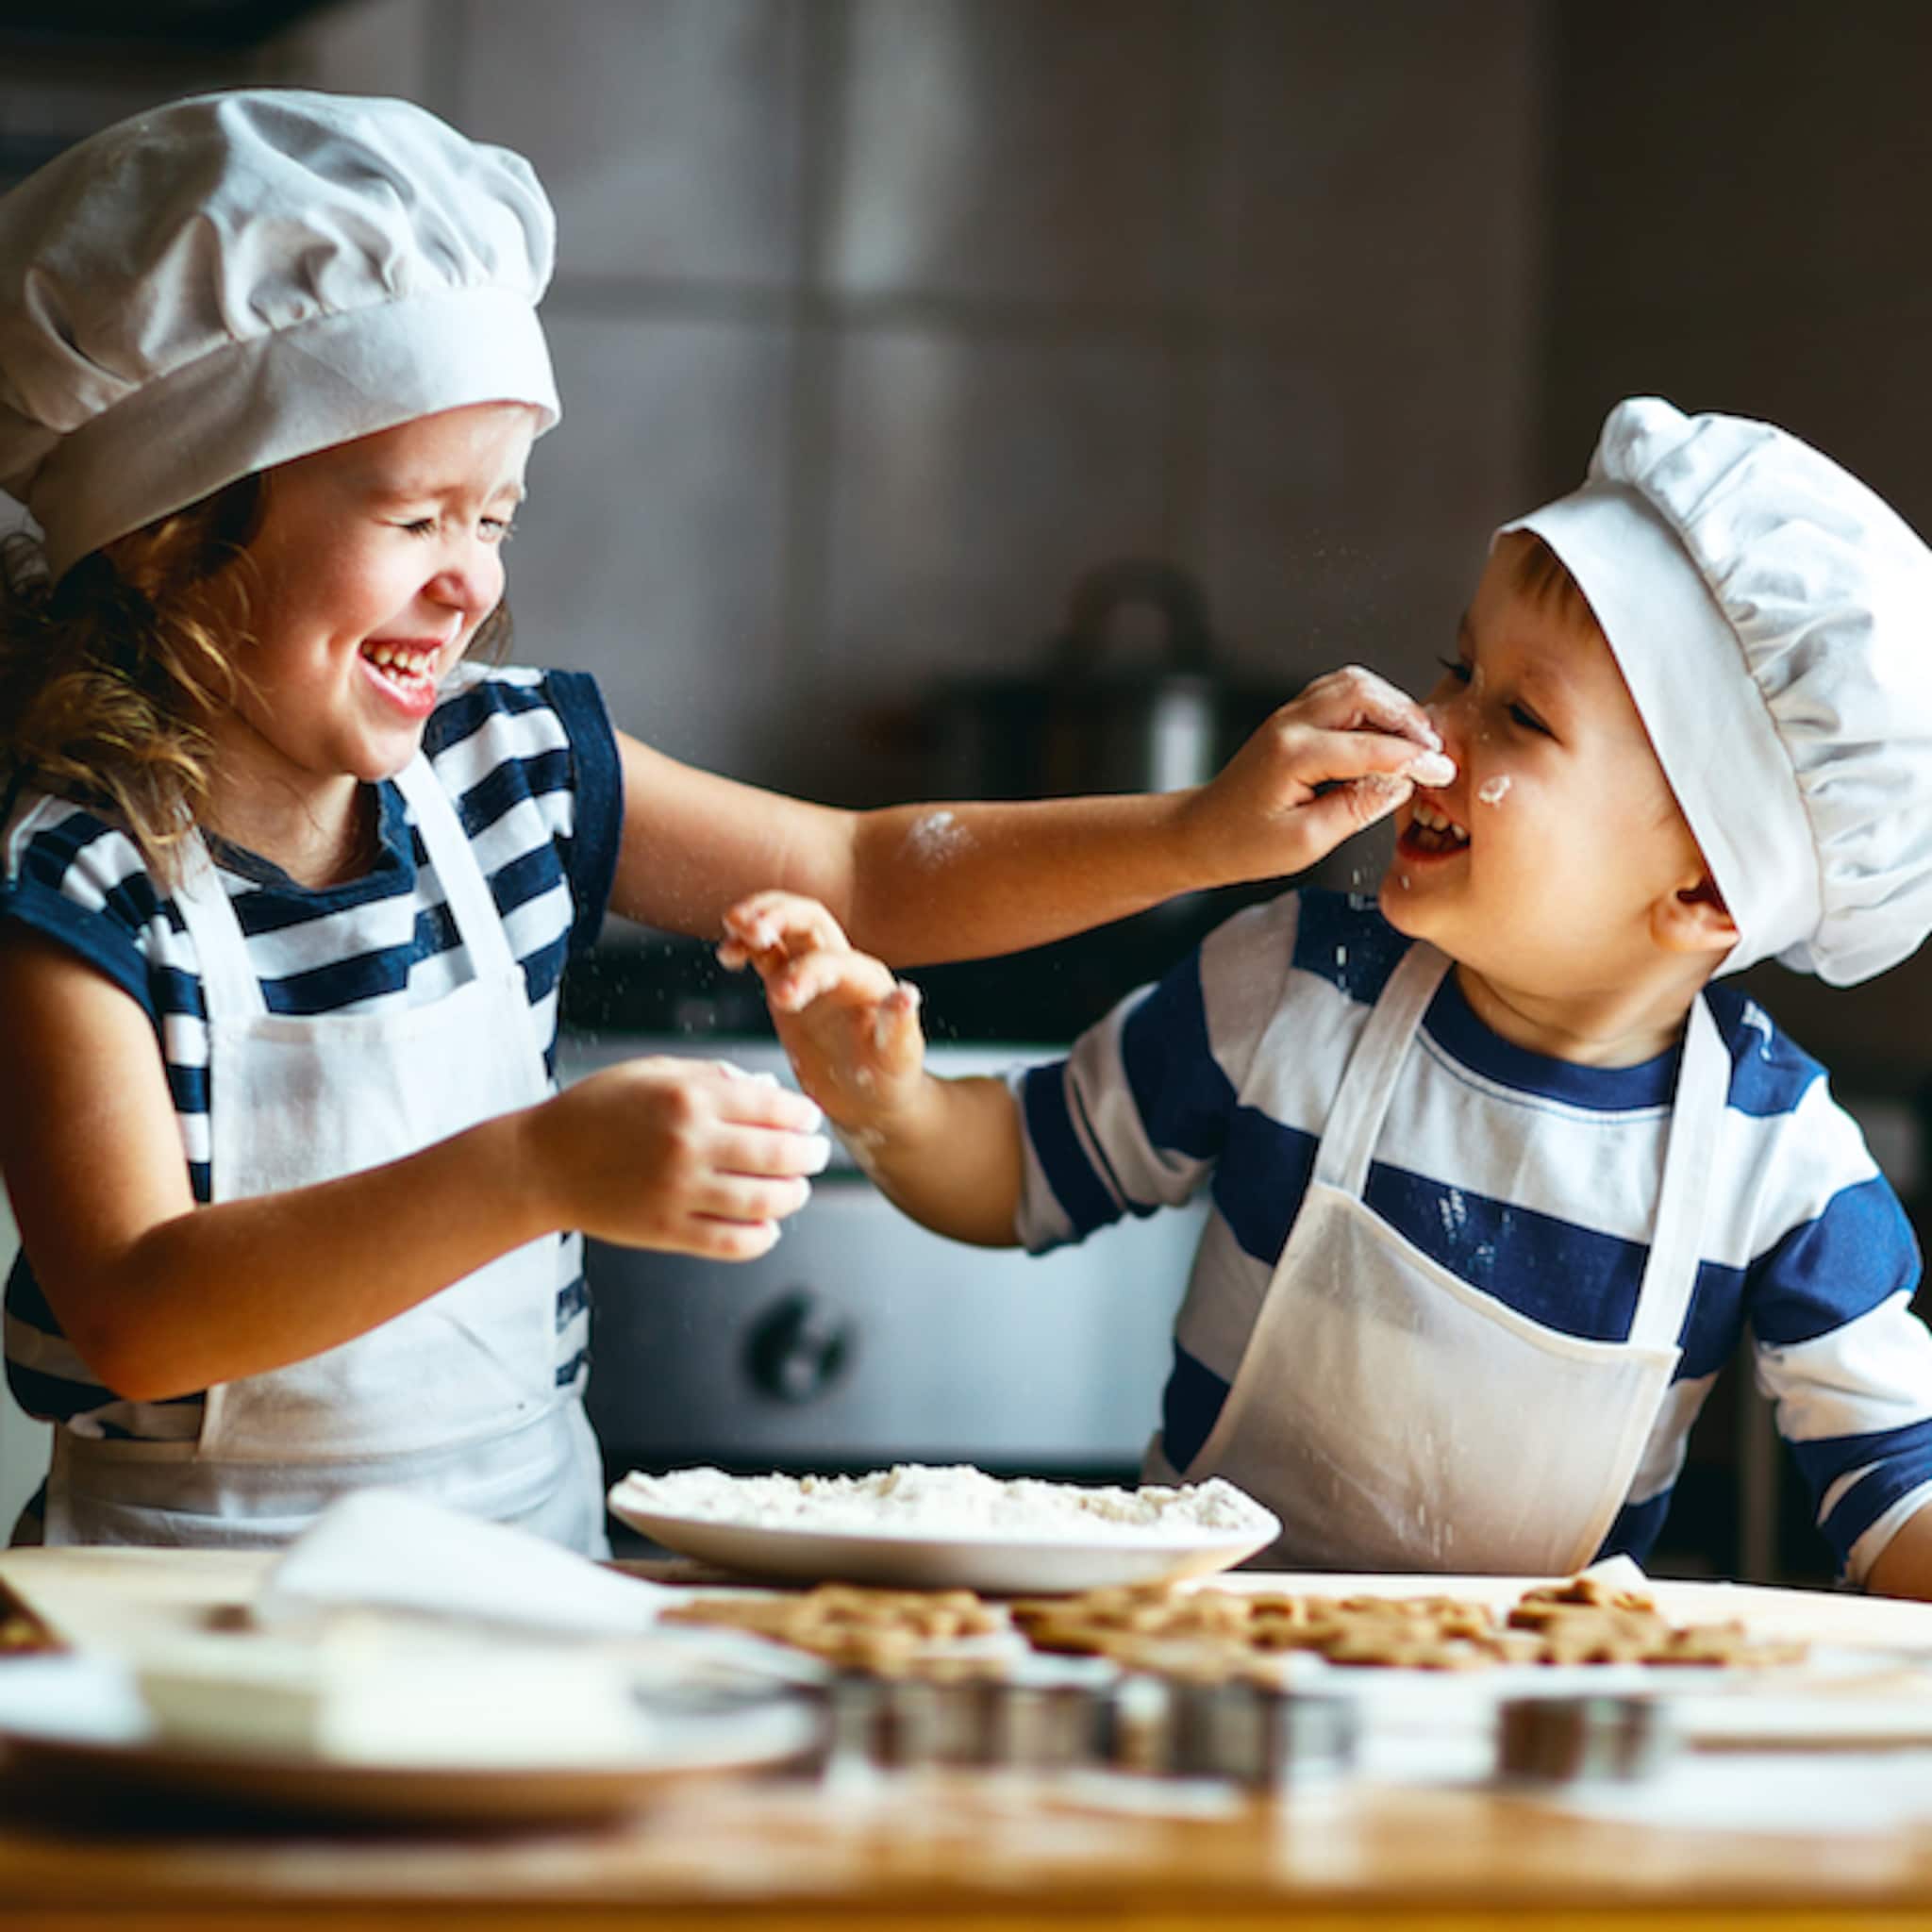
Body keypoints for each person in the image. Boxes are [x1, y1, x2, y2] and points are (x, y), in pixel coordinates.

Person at [0, 91, 1450, 1553]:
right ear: (175, 537)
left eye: (494, 518)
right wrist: (536, 1167)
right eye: (414, 516)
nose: (470, 586)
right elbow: (134, 1311)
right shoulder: (79, 883)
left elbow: (867, 869)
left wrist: (1200, 836)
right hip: (169, 1615)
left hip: (519, 1580)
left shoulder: (513, 764)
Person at [731, 396, 1932, 1597]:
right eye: (1457, 669)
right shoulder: (1291, 986)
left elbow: (1897, 1509)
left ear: (1706, 891)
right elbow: (1020, 1172)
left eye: (1515, 715)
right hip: (1200, 1681)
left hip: (1524, 1732)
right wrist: (889, 1102)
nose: (1430, 733)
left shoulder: (1778, 1168)